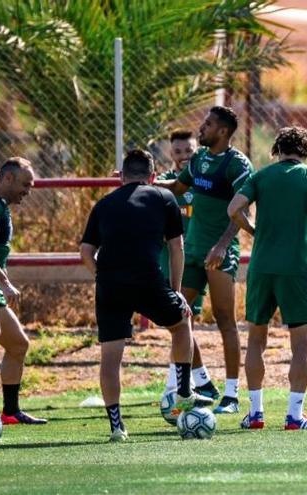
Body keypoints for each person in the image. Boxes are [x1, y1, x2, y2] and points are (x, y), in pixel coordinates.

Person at [80, 150, 213, 442]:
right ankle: (183, 392)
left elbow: (86, 252)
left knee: (111, 356)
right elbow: (177, 248)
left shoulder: (103, 204)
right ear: (153, 176)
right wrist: (177, 292)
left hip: (110, 284)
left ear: (122, 177)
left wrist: (102, 275)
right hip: (148, 279)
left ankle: (117, 426)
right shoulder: (164, 198)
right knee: (181, 324)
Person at [226, 126, 307, 430]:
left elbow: (234, 208)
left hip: (261, 268)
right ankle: (294, 415)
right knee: (300, 345)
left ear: (277, 149)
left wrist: (253, 231)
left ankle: (256, 413)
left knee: (256, 340)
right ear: (305, 151)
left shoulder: (261, 176)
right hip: (295, 269)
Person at [156, 106, 253, 414]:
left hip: (220, 253)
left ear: (223, 131)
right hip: (193, 250)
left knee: (226, 320)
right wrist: (145, 182)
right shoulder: (198, 159)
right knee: (178, 318)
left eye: (208, 124)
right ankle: (191, 386)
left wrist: (223, 245)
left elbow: (243, 210)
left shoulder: (236, 164)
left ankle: (232, 395)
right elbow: (178, 187)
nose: (202, 127)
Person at [0, 157, 46, 424]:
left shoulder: (0, 205)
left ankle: (10, 412)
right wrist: (5, 282)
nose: (28, 190)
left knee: (18, 344)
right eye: (25, 184)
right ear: (8, 179)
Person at [158, 130, 206, 399]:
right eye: (178, 152)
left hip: (197, 258)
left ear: (196, 150)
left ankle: (179, 384)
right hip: (171, 260)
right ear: (170, 155)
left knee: (184, 322)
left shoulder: (204, 182)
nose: (183, 156)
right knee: (181, 323)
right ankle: (188, 382)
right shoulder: (165, 182)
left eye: (188, 151)